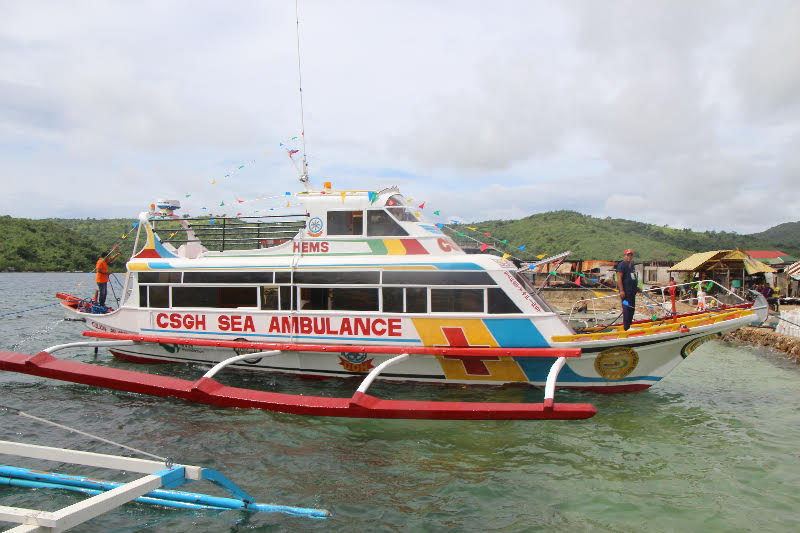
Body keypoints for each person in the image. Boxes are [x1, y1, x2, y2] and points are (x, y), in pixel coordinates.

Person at [616, 249, 638, 330]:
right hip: (625, 292)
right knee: (626, 308)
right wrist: (621, 290)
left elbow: (633, 277)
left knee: (632, 308)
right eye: (627, 255)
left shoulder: (632, 265)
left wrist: (637, 287)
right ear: (624, 256)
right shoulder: (622, 265)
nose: (629, 256)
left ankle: (629, 325)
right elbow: (619, 278)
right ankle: (626, 327)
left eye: (630, 255)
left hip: (632, 292)